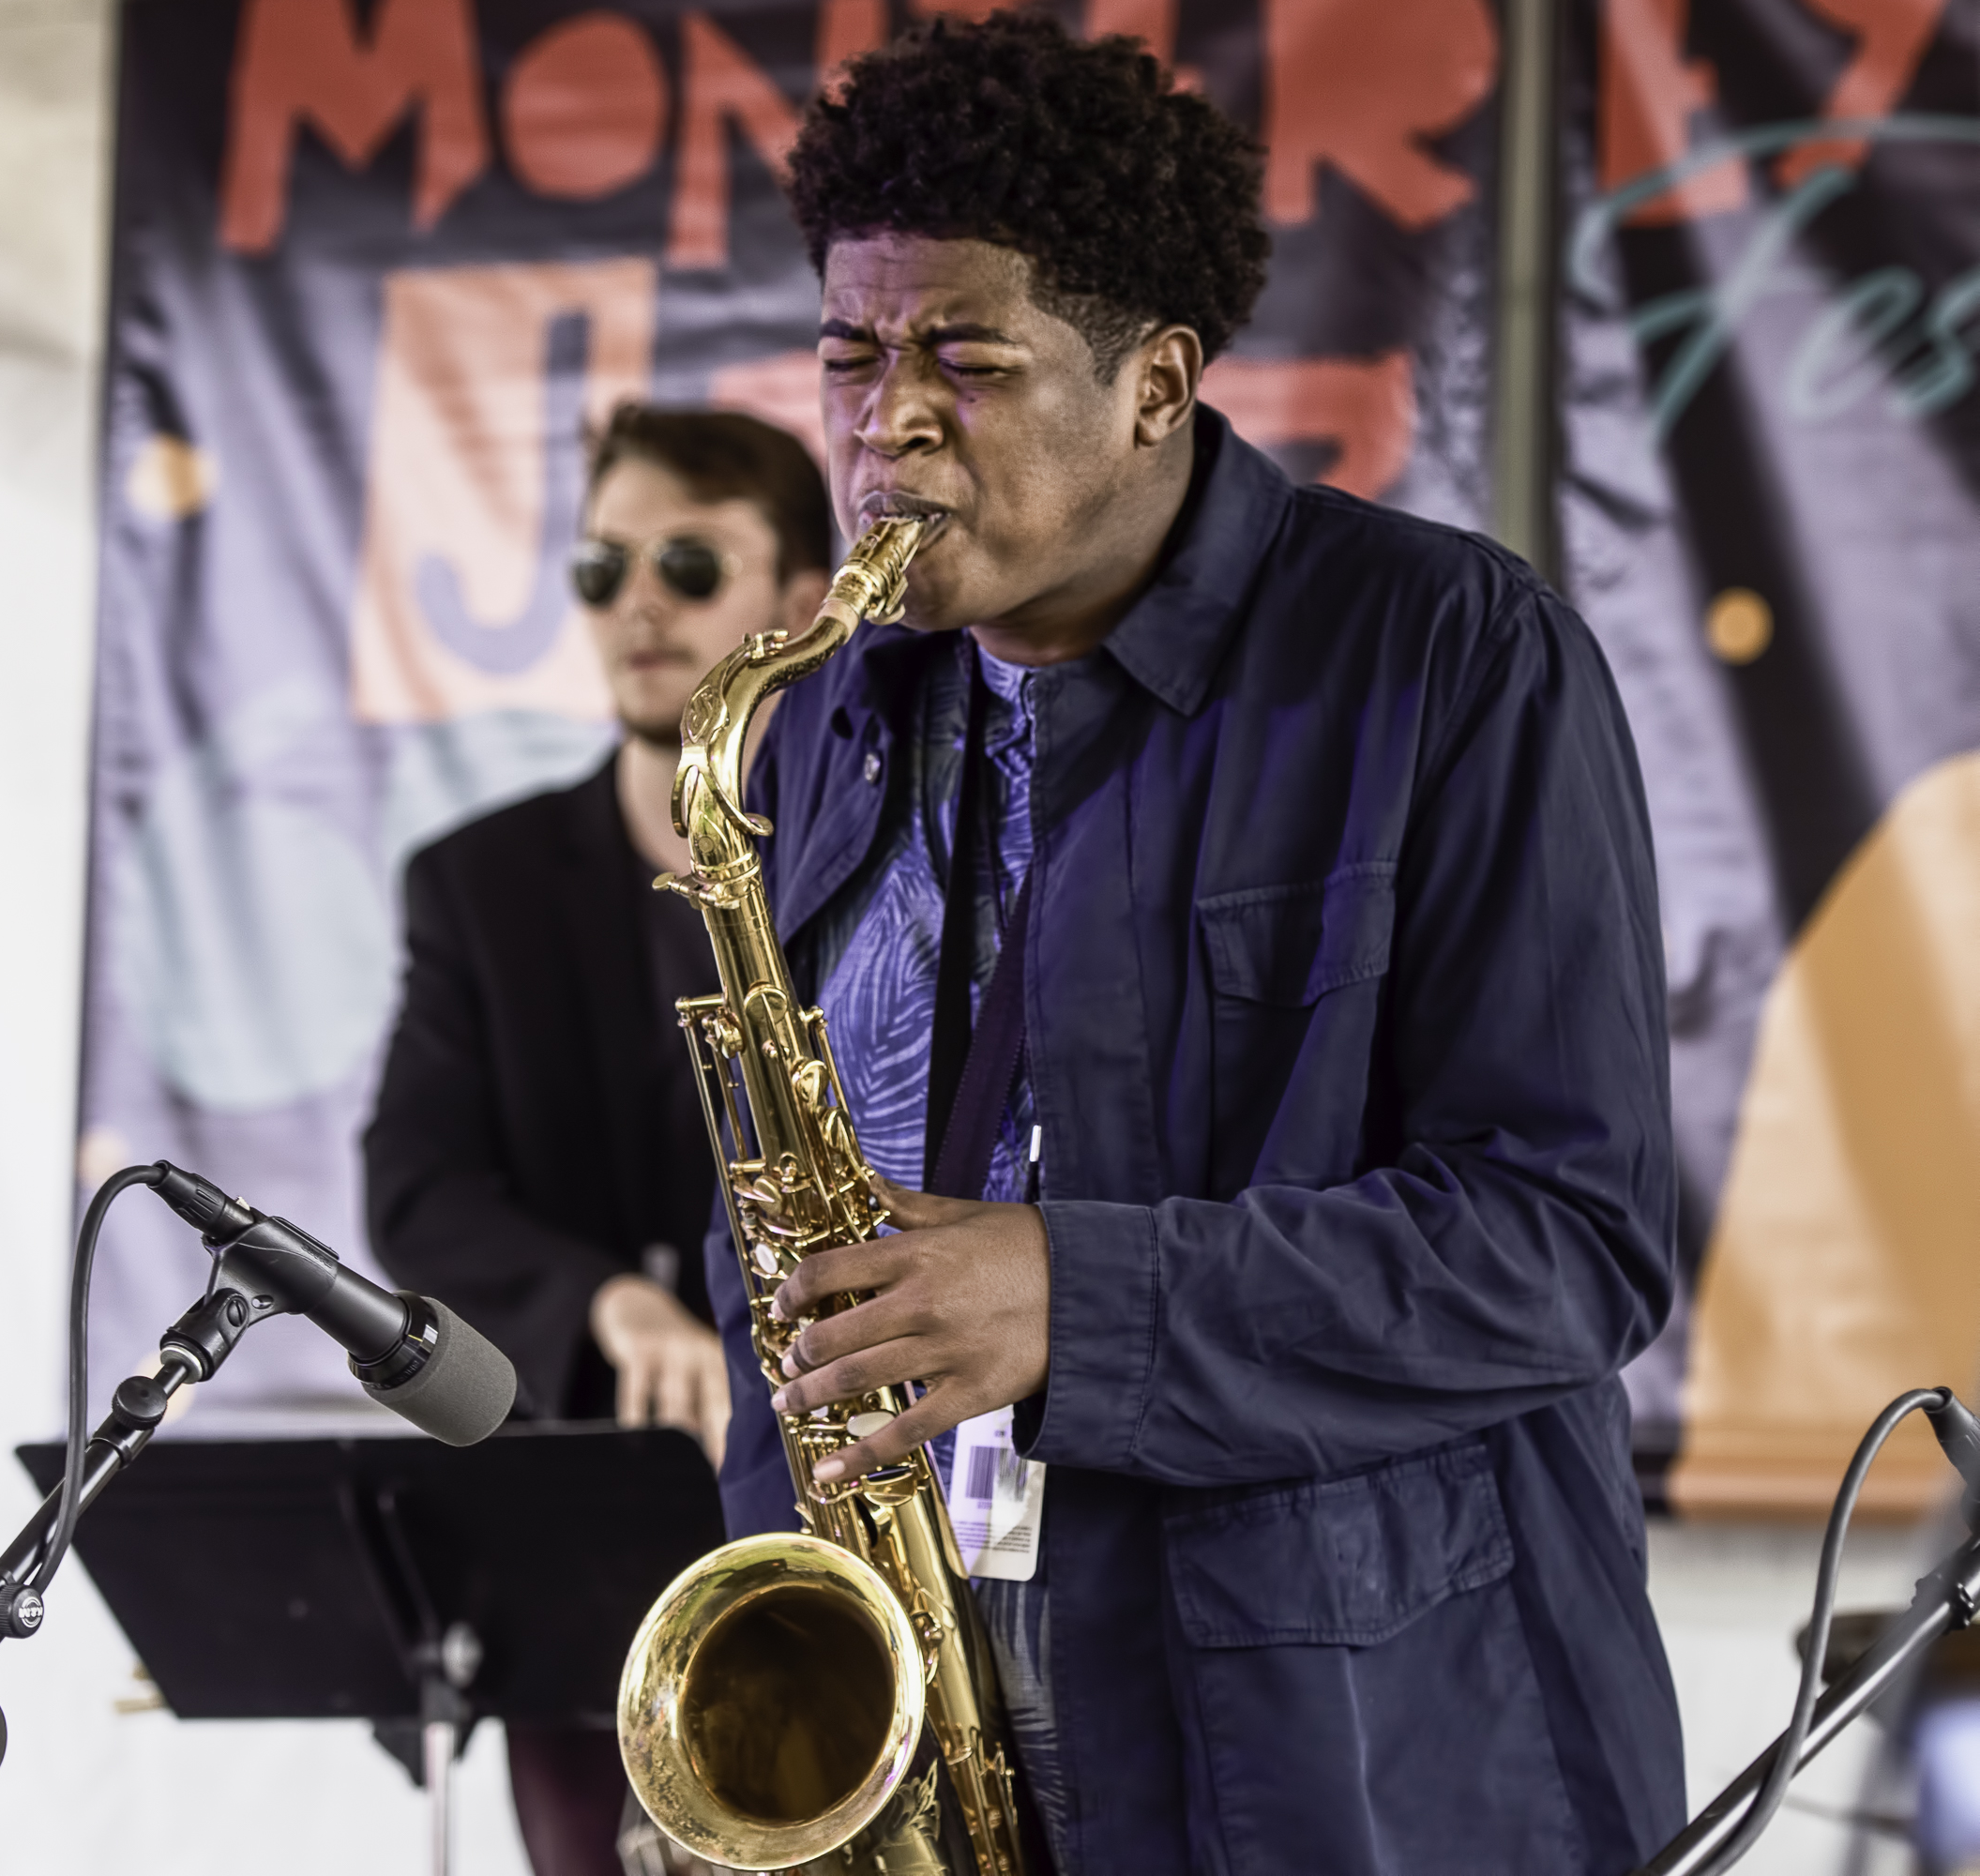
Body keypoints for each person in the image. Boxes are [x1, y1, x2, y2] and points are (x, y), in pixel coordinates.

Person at [707, 14, 1687, 1876]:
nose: (882, 420)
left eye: (962, 359)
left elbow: (1568, 1245)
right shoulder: (820, 714)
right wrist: (781, 1709)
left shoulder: (1446, 652)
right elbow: (783, 1249)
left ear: (1156, 383)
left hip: (1357, 1770)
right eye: (849, 356)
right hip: (941, 1726)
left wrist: (1073, 1300)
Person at [363, 404, 830, 1876]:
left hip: (838, 1511)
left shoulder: (885, 861)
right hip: (587, 1533)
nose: (638, 603)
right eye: (601, 566)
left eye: (690, 565)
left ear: (803, 605)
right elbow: (417, 1191)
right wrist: (607, 1304)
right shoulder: (475, 883)